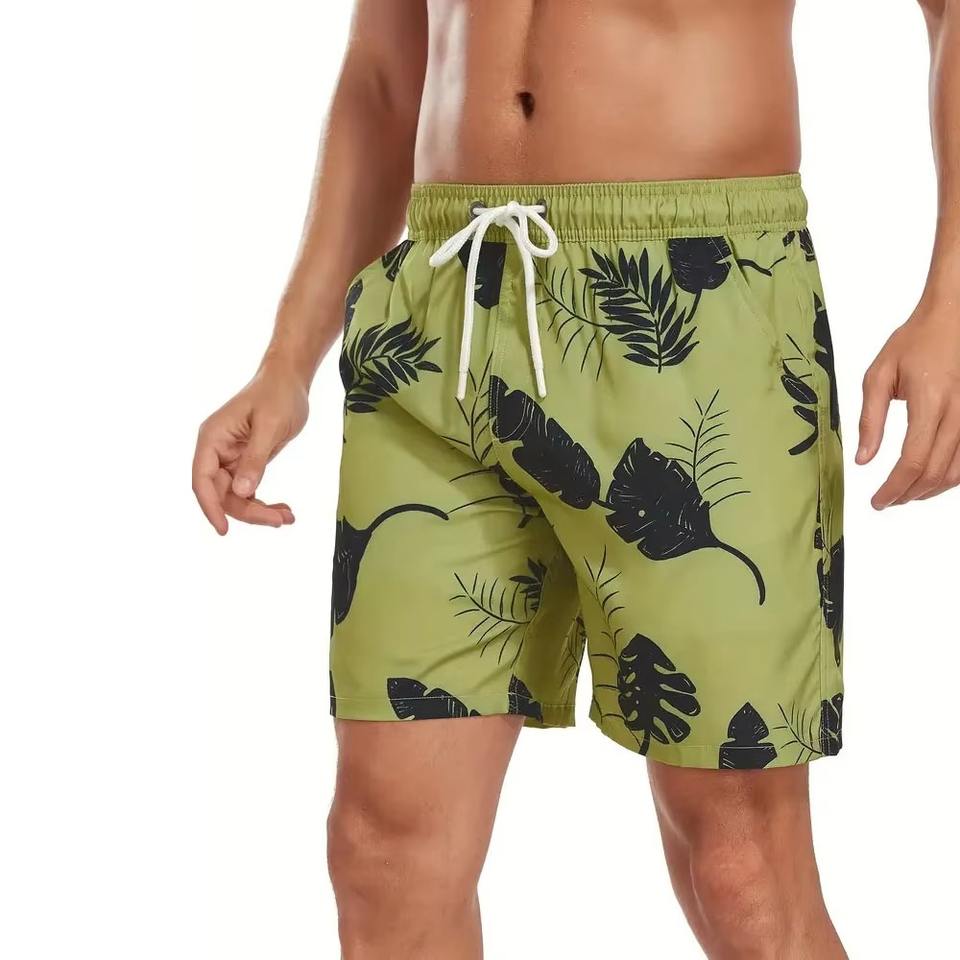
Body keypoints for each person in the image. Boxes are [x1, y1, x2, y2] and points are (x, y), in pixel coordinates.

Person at [192, 1, 960, 956]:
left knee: (740, 864)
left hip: (691, 298)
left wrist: (954, 299)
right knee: (382, 852)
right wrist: (285, 362)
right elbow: (386, 74)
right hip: (441, 309)